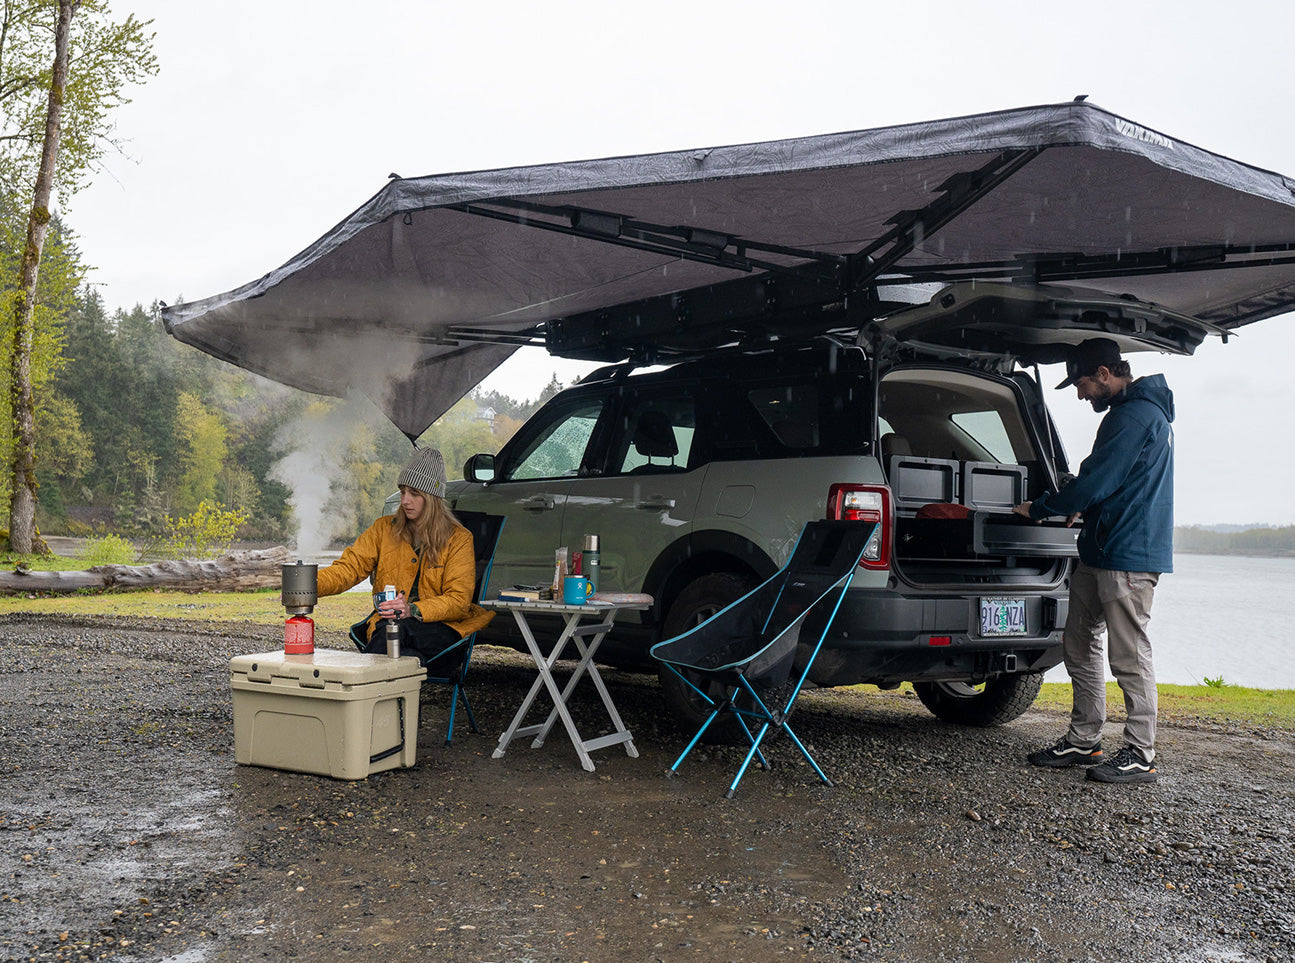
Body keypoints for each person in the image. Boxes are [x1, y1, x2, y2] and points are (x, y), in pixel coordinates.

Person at [1014, 337, 1173, 784]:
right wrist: (1084, 507)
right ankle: (1084, 739)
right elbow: (1116, 482)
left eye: (1082, 384)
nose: (1082, 394)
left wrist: (1042, 508)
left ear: (1104, 374)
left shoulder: (1135, 415)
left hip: (1128, 554)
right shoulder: (1129, 414)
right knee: (1079, 641)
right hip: (1101, 549)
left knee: (1129, 655)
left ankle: (1140, 753)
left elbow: (1099, 479)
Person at [316, 447, 493, 662]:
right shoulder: (383, 529)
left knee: (395, 635)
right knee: (403, 650)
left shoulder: (459, 538)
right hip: (390, 627)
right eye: (402, 492)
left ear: (432, 497)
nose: (405, 501)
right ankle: (406, 679)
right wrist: (308, 584)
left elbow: (458, 601)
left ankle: (374, 681)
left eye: (414, 494)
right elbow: (349, 568)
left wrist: (412, 610)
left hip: (442, 629)